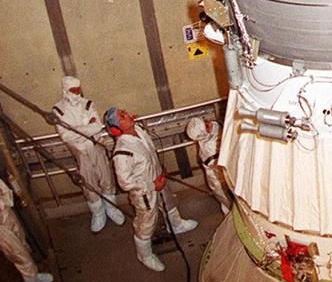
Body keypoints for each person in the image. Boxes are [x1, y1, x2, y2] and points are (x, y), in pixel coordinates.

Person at [104, 108, 197, 271]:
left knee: (169, 202)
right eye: (122, 117)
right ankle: (144, 255)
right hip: (145, 192)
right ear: (115, 129)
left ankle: (176, 225)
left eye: (124, 111)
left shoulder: (139, 131)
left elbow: (149, 153)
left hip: (158, 178)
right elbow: (125, 183)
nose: (127, 115)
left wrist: (158, 170)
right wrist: (152, 186)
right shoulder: (122, 152)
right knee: (146, 222)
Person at [51, 75, 125, 232]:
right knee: (88, 182)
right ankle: (98, 212)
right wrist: (86, 127)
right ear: (65, 91)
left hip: (95, 146)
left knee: (105, 176)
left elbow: (97, 126)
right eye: (73, 90)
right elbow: (65, 136)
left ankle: (111, 207)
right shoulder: (58, 110)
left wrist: (76, 129)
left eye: (78, 89)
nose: (77, 93)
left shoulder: (88, 104)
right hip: (79, 152)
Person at [0, 162, 53, 282]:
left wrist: (2, 203)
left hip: (9, 217)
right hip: (0, 228)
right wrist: (2, 203)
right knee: (20, 257)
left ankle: (33, 277)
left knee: (23, 246)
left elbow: (6, 191)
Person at [185, 116, 232, 215]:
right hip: (218, 179)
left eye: (205, 121)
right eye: (207, 126)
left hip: (219, 171)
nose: (209, 124)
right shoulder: (210, 152)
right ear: (204, 134)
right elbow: (226, 171)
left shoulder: (214, 128)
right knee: (227, 200)